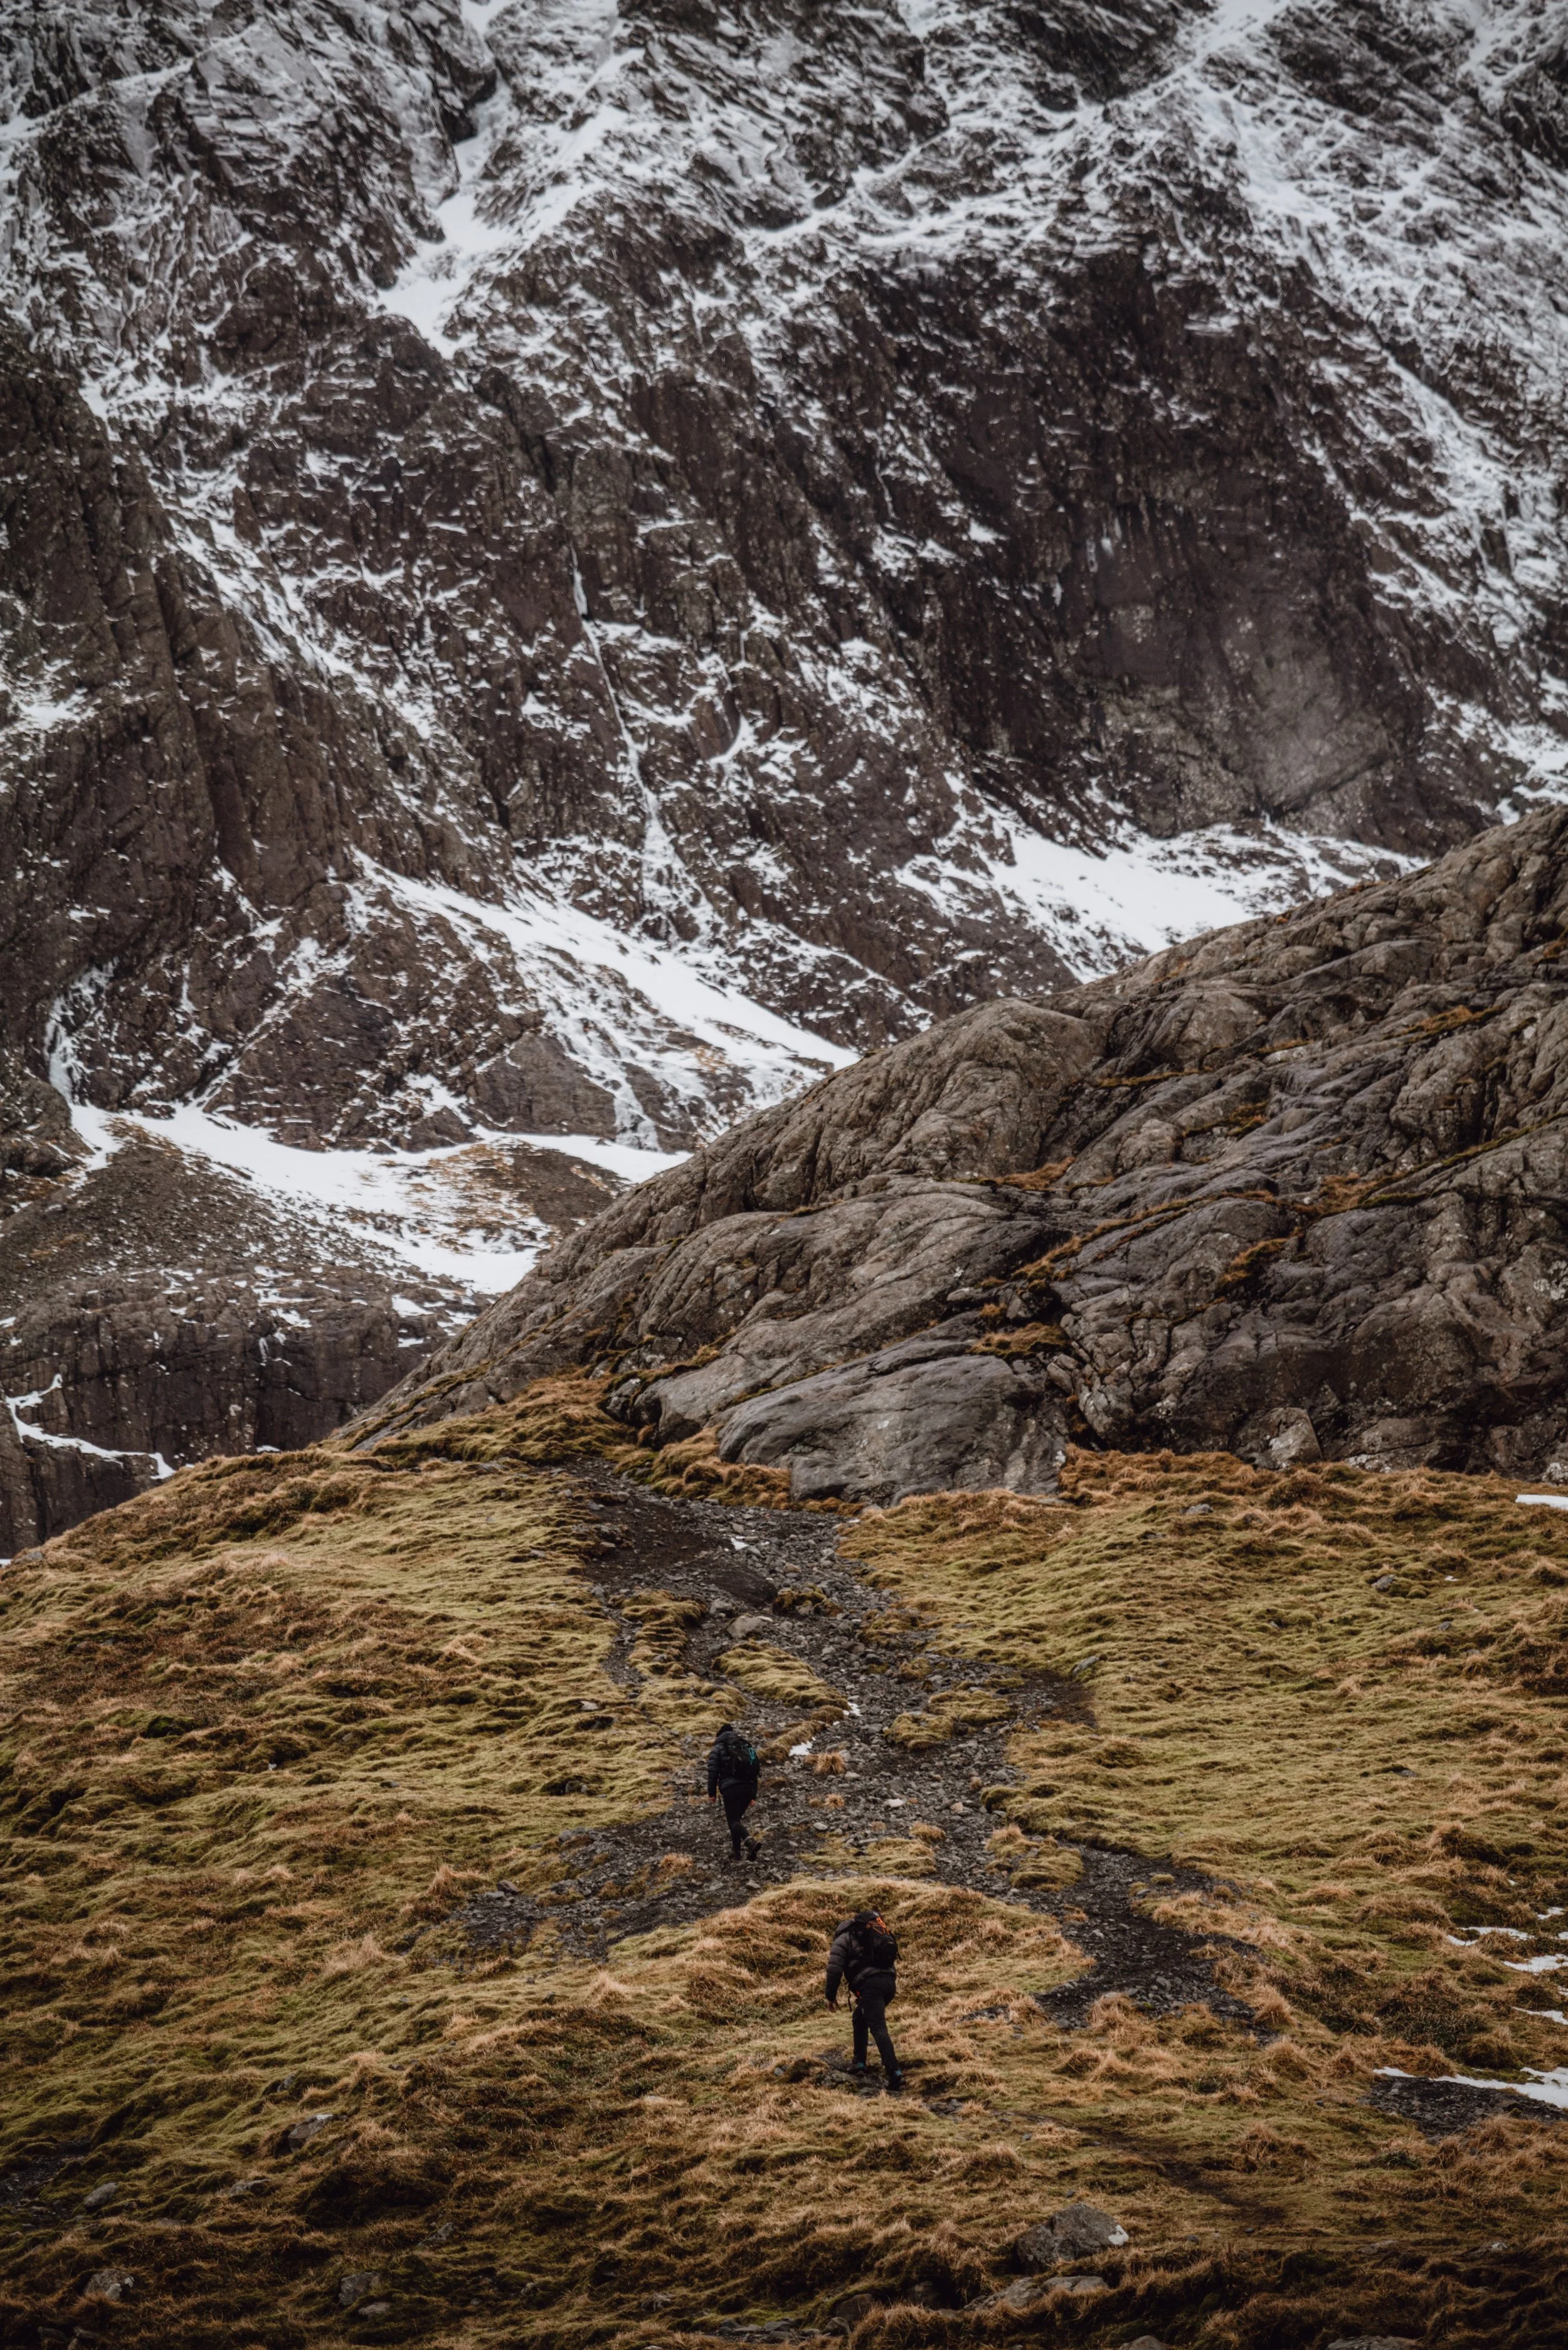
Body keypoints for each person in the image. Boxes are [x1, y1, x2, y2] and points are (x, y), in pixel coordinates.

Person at [825, 1910, 903, 2088]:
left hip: (871, 1987)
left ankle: (895, 2072)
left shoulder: (843, 1939)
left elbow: (834, 1969)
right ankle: (859, 2062)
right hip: (889, 1984)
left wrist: (830, 1996)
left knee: (878, 2027)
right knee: (860, 2018)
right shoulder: (872, 1933)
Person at [706, 1721, 760, 1862]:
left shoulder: (718, 1748)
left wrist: (711, 1793)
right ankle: (736, 1853)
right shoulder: (744, 1745)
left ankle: (749, 1842)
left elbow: (713, 1772)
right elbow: (754, 1770)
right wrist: (753, 1794)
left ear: (719, 1735)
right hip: (748, 1788)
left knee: (733, 1821)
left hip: (731, 1789)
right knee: (736, 1821)